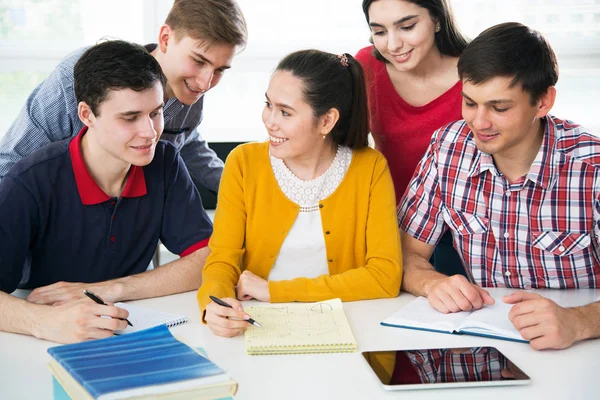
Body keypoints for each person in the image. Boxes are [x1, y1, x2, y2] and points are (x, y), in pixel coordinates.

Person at [398, 22, 600, 350]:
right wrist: (431, 282)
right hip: (481, 345)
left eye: (499, 107)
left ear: (543, 102)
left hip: (577, 351)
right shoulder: (447, 147)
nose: (479, 123)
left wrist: (579, 321)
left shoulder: (592, 168)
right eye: (470, 103)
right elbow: (405, 253)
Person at [0, 40, 213, 344]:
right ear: (87, 115)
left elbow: (208, 259)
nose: (150, 132)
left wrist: (113, 288)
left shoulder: (164, 164)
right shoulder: (28, 181)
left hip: (130, 328)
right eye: (129, 118)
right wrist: (44, 322)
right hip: (39, 340)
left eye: (155, 113)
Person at [197, 50, 402, 338]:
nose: (270, 121)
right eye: (268, 105)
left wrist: (275, 291)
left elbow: (385, 277)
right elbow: (222, 260)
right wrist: (213, 304)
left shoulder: (369, 168)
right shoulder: (243, 162)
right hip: (256, 326)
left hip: (350, 328)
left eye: (285, 112)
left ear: (327, 121)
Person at [0, 0, 248, 194]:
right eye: (198, 61)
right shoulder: (78, 76)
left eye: (219, 70)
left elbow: (186, 139)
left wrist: (237, 188)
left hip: (129, 228)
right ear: (165, 38)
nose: (206, 83)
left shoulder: (190, 89)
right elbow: (10, 166)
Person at [356, 0, 468, 276]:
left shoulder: (476, 73)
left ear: (438, 20)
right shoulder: (367, 64)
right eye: (379, 32)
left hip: (462, 228)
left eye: (407, 27)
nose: (393, 45)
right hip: (391, 223)